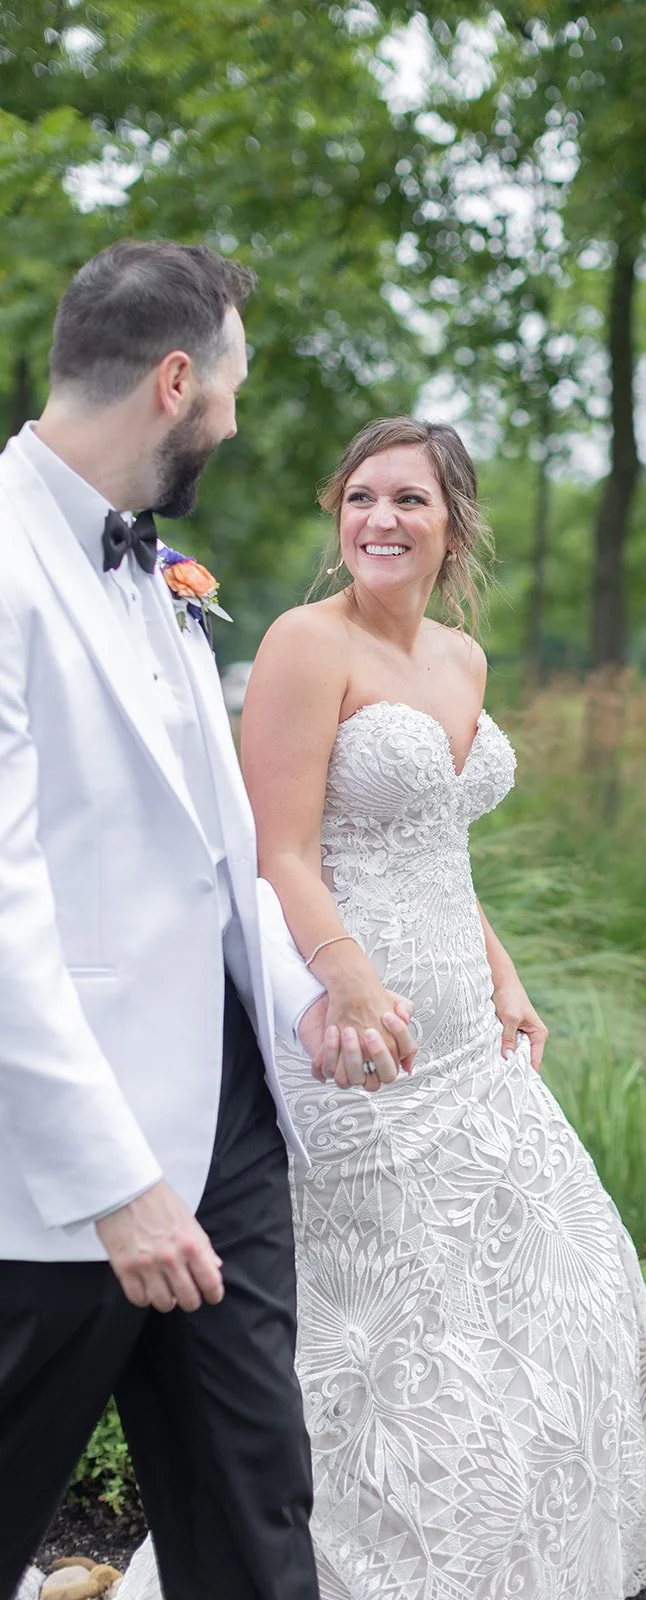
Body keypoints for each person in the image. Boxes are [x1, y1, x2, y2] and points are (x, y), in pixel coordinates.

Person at [120, 415, 646, 1599]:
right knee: (388, 1346)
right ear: (339, 519)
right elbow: (275, 852)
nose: (381, 519)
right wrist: (347, 975)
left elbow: (441, 850)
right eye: (362, 498)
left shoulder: (460, 661)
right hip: (355, 1041)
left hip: (467, 1047)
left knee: (564, 1296)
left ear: (453, 525)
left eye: (411, 501)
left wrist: (505, 974)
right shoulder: (301, 643)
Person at [0, 241, 413, 1600]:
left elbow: (217, 838)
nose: (232, 423)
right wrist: (115, 1185)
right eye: (228, 389)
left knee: (251, 1509)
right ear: (175, 381)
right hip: (60, 1173)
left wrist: (303, 991)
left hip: (229, 1137)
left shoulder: (161, 573)